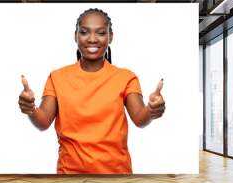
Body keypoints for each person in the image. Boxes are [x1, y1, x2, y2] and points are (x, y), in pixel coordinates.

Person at [18, 8, 165, 174]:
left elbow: (140, 118)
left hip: (116, 176)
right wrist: (31, 109)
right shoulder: (57, 77)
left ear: (111, 37)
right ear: (76, 36)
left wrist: (151, 110)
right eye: (84, 32)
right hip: (70, 176)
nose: (92, 39)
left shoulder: (126, 77)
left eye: (101, 33)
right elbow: (43, 122)